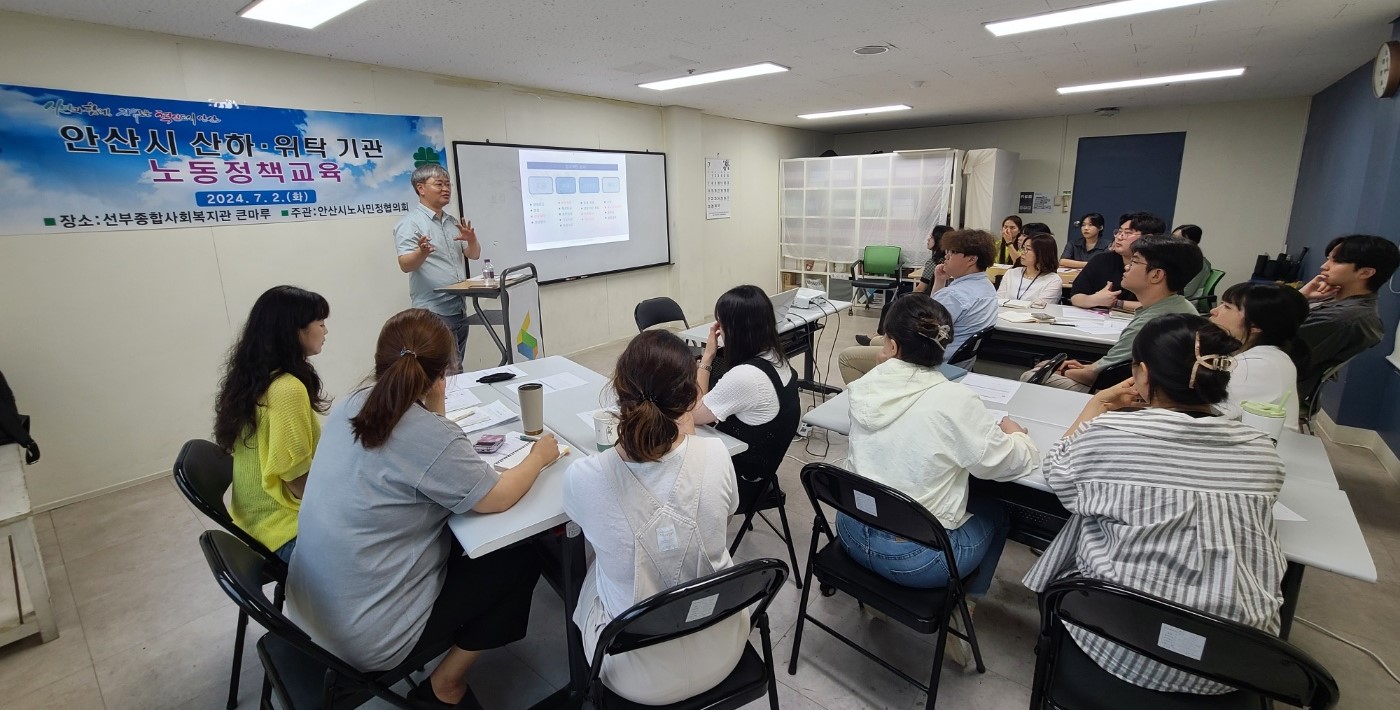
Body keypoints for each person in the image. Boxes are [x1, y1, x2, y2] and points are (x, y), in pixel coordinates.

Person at [287, 308, 560, 708]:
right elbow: (497, 497)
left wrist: (434, 405)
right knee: (519, 556)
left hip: (308, 612)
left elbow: (428, 450)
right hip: (367, 637)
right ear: (443, 374)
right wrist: (538, 457)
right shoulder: (427, 435)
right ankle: (446, 683)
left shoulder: (351, 404)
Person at [1024, 314, 1286, 695]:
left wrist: (1098, 404)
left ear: (1142, 374)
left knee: (1082, 523)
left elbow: (1057, 470)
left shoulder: (1110, 434)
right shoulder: (1262, 452)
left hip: (1119, 642)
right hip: (1233, 662)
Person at [839, 296, 1039, 664]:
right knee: (996, 512)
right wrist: (1020, 437)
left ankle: (878, 601)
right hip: (915, 562)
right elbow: (1004, 464)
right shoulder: (955, 400)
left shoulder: (863, 388)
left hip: (851, 531)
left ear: (893, 345)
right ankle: (960, 611)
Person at [564, 330, 747, 705]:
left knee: (593, 568)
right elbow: (720, 522)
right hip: (723, 647)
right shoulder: (716, 456)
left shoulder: (585, 476)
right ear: (692, 397)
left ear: (618, 392)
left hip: (634, 675)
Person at [213, 285, 330, 563]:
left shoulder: (256, 377)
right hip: (284, 532)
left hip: (255, 522)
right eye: (321, 323)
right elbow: (296, 478)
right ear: (295, 330)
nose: (326, 331)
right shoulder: (286, 389)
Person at [1030, 235, 1202, 392]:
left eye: (1134, 262)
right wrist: (1086, 367)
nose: (1127, 267)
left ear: (1156, 275)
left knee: (1034, 374)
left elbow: (1097, 375)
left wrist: (1063, 369)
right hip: (1154, 389)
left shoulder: (1152, 324)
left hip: (1134, 394)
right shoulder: (1181, 306)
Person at [692, 286, 801, 530]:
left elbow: (696, 413)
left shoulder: (746, 377)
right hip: (763, 474)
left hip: (740, 483)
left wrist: (707, 356)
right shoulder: (777, 358)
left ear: (733, 330)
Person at [840, 229, 1000, 383]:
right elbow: (934, 312)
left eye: (952, 252)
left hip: (930, 363)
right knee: (877, 342)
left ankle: (873, 402)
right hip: (957, 360)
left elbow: (920, 329)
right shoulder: (987, 287)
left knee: (847, 357)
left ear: (971, 259)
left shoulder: (955, 295)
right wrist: (939, 280)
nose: (946, 256)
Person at [394, 163, 482, 369]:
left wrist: (471, 240)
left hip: (457, 307)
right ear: (420, 188)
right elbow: (405, 264)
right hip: (433, 310)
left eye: (448, 184)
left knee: (455, 366)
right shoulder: (411, 224)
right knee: (447, 371)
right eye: (439, 184)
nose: (446, 189)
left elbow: (474, 255)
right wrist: (421, 252)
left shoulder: (451, 222)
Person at [1296, 234, 1400, 398]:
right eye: (1328, 258)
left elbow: (1276, 348)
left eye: (1335, 261)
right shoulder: (1333, 298)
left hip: (1275, 381)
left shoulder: (1345, 318)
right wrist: (1301, 296)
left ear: (1365, 272)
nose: (1324, 266)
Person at [1209, 283, 1310, 431]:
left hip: (1258, 448)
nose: (1214, 311)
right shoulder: (1250, 354)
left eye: (1227, 307)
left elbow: (1203, 409)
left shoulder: (1262, 365)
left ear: (1256, 325)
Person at [1068, 211, 1167, 311]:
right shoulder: (1101, 260)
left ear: (1148, 238)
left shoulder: (1160, 267)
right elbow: (1076, 296)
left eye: (1127, 233)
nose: (1119, 237)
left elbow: (1163, 305)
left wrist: (1116, 303)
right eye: (1119, 232)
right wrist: (1093, 300)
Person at [996, 232, 1063, 304]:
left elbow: (1039, 307)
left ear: (1042, 254)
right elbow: (998, 300)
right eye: (1023, 248)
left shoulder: (1053, 280)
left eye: (1028, 249)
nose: (1022, 252)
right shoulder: (1011, 273)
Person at [1174, 224, 1214, 299]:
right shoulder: (1175, 258)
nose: (1172, 242)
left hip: (1182, 302)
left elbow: (1187, 292)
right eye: (1172, 238)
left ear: (1192, 242)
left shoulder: (1200, 264)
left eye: (1179, 239)